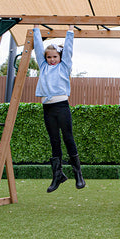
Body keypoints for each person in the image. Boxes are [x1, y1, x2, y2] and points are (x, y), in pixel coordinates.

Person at [33, 24, 85, 193]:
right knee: (54, 140)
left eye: (55, 56)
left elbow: (68, 50)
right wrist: (36, 30)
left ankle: (78, 173)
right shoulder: (43, 66)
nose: (52, 59)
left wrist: (70, 31)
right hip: (47, 108)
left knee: (68, 138)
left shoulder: (64, 66)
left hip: (62, 106)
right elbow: (37, 47)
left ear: (60, 57)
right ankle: (58, 175)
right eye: (49, 57)